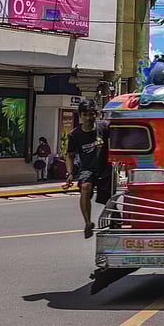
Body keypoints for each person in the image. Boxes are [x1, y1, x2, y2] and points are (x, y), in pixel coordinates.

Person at [63, 100, 111, 238]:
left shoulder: (104, 127)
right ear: (80, 115)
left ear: (96, 114)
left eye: (91, 114)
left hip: (106, 168)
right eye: (85, 115)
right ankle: (88, 223)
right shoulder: (74, 134)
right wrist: (70, 173)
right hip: (87, 169)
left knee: (109, 197)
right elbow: (70, 155)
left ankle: (115, 218)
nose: (88, 118)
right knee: (85, 187)